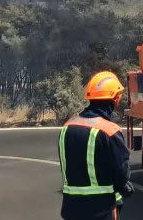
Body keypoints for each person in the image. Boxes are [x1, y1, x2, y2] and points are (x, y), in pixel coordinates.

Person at [58, 71, 134, 220]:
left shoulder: (67, 127)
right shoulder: (110, 131)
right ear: (116, 99)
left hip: (71, 209)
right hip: (101, 209)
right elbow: (122, 173)